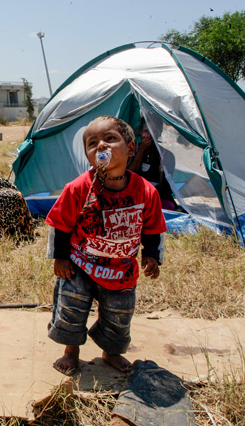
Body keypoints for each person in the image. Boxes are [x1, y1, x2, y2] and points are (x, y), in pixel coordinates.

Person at [45, 116, 167, 375]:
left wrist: (152, 255)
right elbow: (60, 224)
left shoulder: (146, 192)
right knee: (71, 308)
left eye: (110, 139)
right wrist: (60, 258)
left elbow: (153, 228)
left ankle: (111, 352)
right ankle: (71, 350)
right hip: (79, 267)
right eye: (92, 143)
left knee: (119, 315)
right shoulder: (78, 188)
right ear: (88, 155)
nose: (101, 146)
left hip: (121, 270)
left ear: (131, 148)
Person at [127, 122, 177, 210]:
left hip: (156, 196)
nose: (149, 135)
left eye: (153, 131)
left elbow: (165, 190)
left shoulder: (166, 155)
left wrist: (162, 173)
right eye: (146, 131)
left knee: (167, 206)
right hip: (135, 194)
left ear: (159, 133)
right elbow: (128, 176)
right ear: (141, 132)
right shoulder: (131, 151)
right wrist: (141, 150)